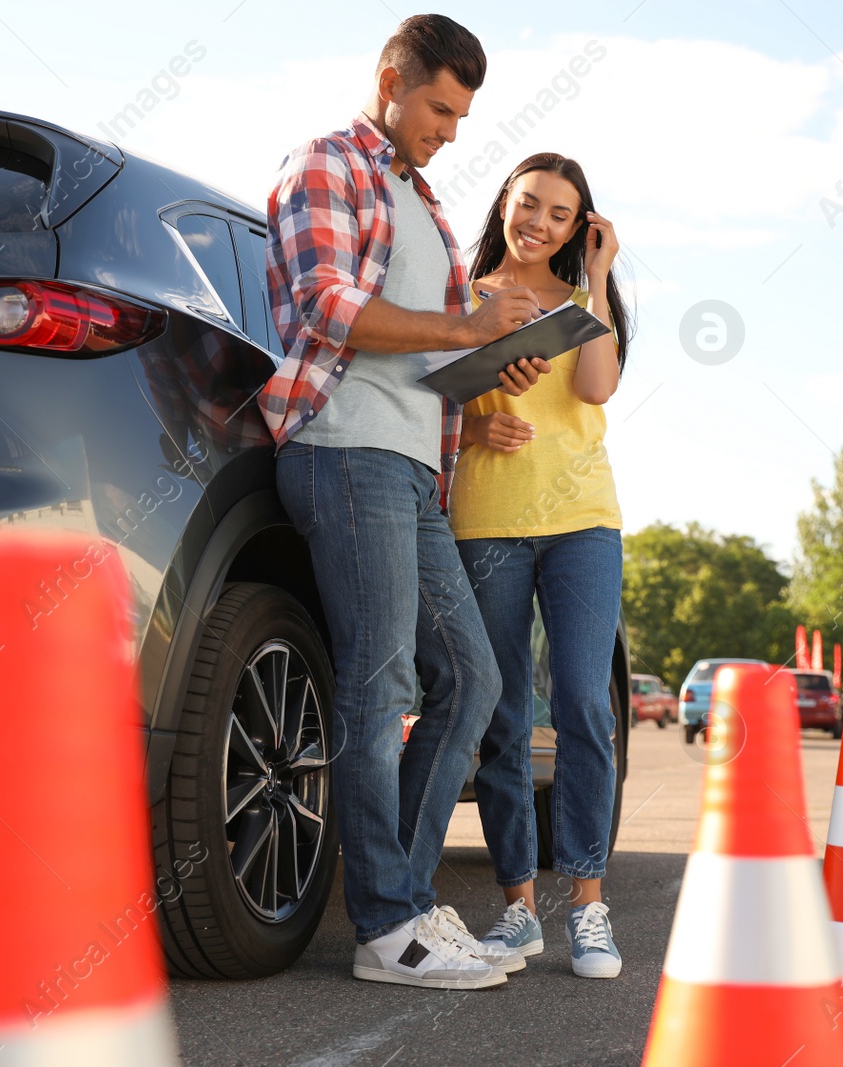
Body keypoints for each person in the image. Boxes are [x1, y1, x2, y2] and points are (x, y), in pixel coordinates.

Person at [258, 14, 552, 990]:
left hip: (412, 465)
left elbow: (423, 353)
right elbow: (326, 307)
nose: (450, 131)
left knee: (473, 680)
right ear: (390, 77)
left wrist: (482, 367)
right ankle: (386, 923)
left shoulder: (420, 202)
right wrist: (460, 321)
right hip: (345, 452)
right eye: (438, 107)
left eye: (462, 115)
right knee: (379, 686)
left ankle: (405, 901)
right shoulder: (324, 164)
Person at [449, 153, 632, 978]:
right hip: (488, 520)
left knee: (585, 703)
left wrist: (595, 277)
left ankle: (588, 903)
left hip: (583, 524)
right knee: (504, 716)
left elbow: (594, 391)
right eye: (530, 204)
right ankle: (520, 906)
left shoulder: (585, 304)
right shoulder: (462, 292)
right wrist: (476, 427)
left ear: (578, 225)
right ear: (506, 203)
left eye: (562, 214)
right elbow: (429, 393)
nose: (541, 223)